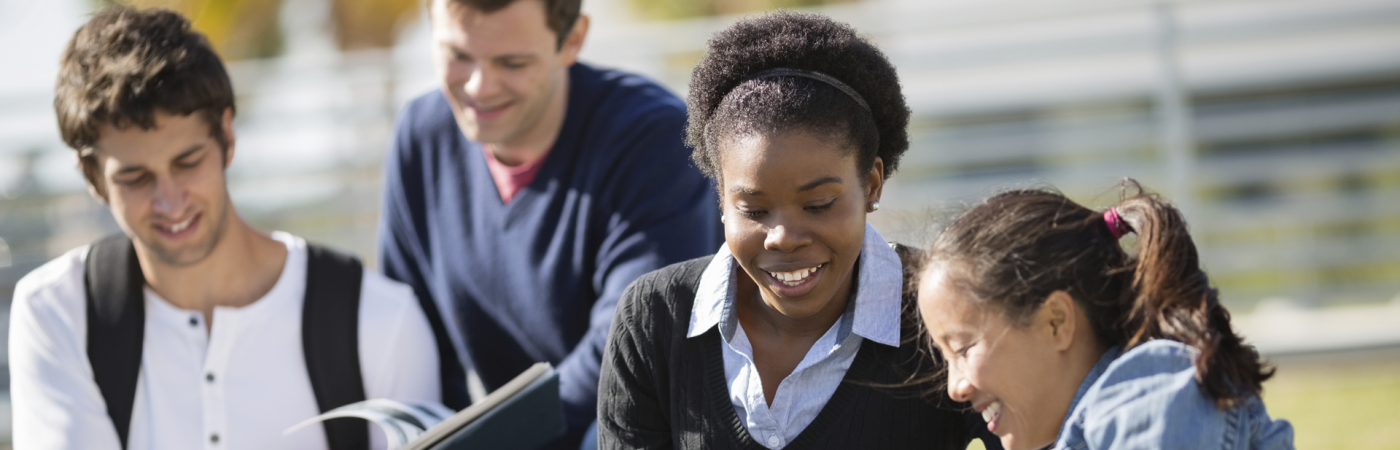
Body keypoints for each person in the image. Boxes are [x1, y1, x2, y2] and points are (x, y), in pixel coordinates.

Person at [10, 7, 439, 449]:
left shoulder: (381, 322)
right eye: (135, 178)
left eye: (188, 162)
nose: (170, 201)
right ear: (92, 177)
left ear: (227, 138)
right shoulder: (59, 315)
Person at [598, 11, 999, 449]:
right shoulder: (654, 319)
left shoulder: (944, 311)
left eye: (818, 205)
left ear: (871, 185)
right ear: (722, 199)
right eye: (753, 209)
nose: (783, 237)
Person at [376, 0, 718, 446]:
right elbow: (412, 339)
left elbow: (629, 348)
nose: (479, 86)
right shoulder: (420, 139)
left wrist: (483, 442)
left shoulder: (654, 140)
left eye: (513, 63)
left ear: (572, 40)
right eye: (458, 55)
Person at [915, 181, 1295, 450]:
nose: (955, 388)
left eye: (963, 348)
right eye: (945, 358)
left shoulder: (1150, 402)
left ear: (1056, 322)